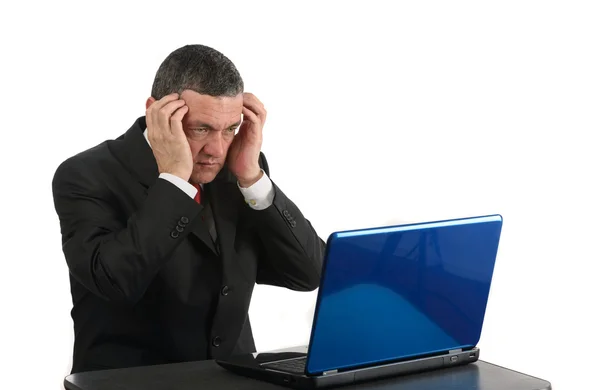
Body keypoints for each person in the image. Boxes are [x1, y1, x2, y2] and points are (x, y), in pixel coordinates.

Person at [52, 44, 325, 374]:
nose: (217, 149)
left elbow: (307, 273)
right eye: (201, 129)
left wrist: (253, 178)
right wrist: (174, 180)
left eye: (230, 129)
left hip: (231, 379)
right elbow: (115, 283)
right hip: (129, 383)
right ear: (158, 112)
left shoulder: (237, 170)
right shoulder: (86, 175)